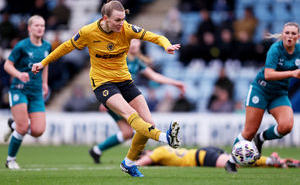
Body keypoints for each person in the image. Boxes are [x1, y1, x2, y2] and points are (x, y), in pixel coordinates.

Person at [31, 0, 181, 177]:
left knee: (149, 124)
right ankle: (165, 138)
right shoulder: (88, 32)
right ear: (105, 18)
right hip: (103, 84)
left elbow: (155, 36)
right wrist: (43, 62)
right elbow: (65, 47)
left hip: (124, 81)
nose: (121, 23)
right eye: (117, 20)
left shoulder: (127, 29)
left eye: (123, 19)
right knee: (130, 115)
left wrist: (166, 45)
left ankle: (129, 163)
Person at [89, 38, 186, 164]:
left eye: (136, 42)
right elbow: (106, 78)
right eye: (132, 42)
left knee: (128, 132)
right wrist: (105, 101)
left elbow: (154, 76)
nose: (134, 44)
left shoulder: (138, 61)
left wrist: (176, 83)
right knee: (143, 123)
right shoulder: (121, 58)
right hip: (114, 98)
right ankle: (140, 154)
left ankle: (97, 150)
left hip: (125, 98)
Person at [225, 22, 300, 173]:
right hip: (261, 90)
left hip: (279, 94)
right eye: (287, 33)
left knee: (287, 126)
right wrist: (292, 73)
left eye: (293, 33)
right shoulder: (275, 49)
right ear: (282, 34)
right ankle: (231, 161)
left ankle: (261, 139)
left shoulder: (299, 51)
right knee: (249, 132)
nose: (290, 36)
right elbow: (268, 74)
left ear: (298, 36)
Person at [3, 15, 51, 170]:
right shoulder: (21, 46)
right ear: (29, 28)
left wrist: (45, 83)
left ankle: (14, 125)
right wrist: (19, 75)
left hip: (36, 92)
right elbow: (7, 65)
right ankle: (10, 160)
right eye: (37, 25)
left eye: (42, 26)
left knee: (38, 131)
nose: (40, 28)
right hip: (19, 89)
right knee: (23, 128)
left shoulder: (46, 46)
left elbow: (45, 64)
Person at [136, 145, 300, 169]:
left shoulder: (156, 153)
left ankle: (272, 161)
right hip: (204, 152)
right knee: (238, 161)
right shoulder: (163, 148)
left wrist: (133, 161)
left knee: (235, 163)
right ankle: (273, 161)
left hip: (201, 157)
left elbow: (143, 162)